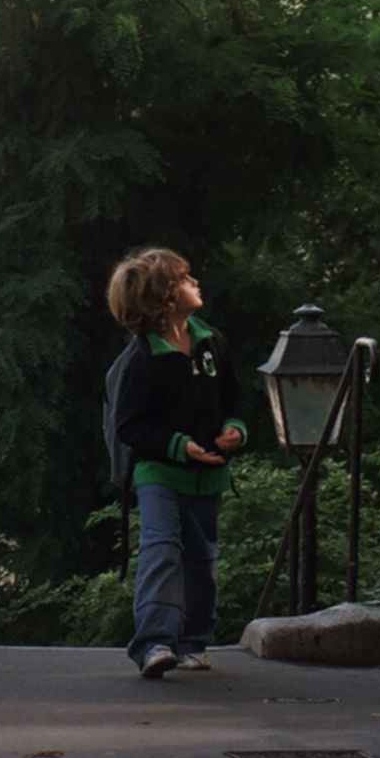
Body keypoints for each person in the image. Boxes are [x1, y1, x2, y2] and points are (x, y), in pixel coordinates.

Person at [106, 247, 247, 678]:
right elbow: (129, 426)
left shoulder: (212, 343)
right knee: (162, 547)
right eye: (186, 279)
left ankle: (194, 640)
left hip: (208, 475)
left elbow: (234, 402)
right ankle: (154, 643)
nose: (195, 283)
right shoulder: (143, 358)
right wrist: (179, 446)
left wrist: (236, 430)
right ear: (166, 299)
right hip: (159, 472)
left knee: (201, 558)